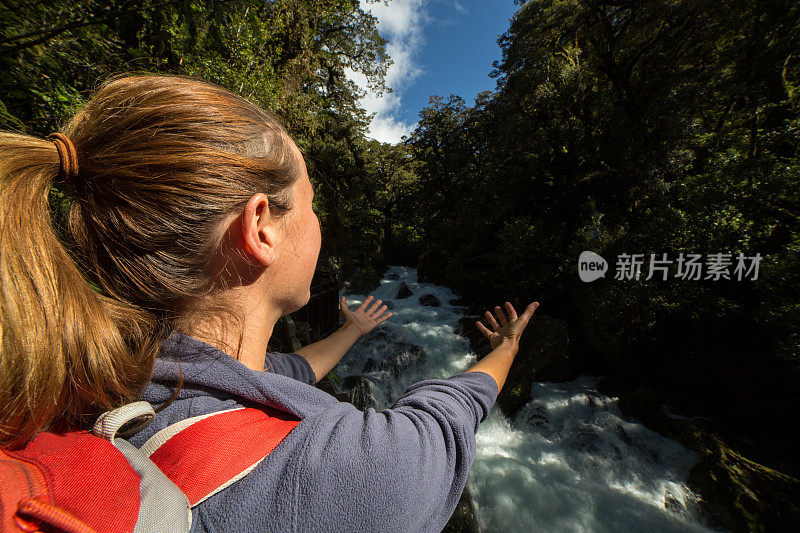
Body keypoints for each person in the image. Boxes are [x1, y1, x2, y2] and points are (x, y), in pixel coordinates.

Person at [0, 72, 539, 532]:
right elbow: (445, 421)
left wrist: (351, 331)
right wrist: (508, 347)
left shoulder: (111, 381)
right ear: (261, 226)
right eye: (310, 204)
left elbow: (287, 370)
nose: (319, 222)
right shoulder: (338, 474)